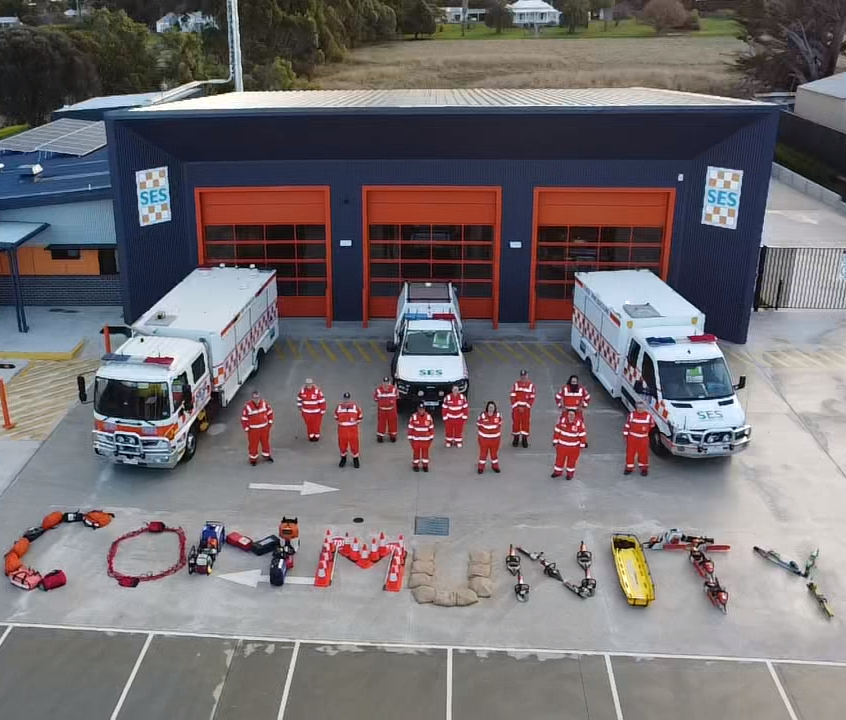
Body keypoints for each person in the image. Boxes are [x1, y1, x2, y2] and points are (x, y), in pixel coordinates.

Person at [555, 374, 591, 447]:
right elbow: (557, 397)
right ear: (570, 382)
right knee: (562, 424)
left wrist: (583, 406)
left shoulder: (581, 389)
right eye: (572, 382)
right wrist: (560, 406)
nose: (574, 383)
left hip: (577, 411)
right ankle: (560, 439)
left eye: (575, 382)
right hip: (567, 411)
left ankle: (583, 441)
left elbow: (587, 398)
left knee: (581, 426)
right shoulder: (564, 388)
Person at [240, 390, 274, 466]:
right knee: (253, 445)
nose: (257, 399)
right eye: (255, 398)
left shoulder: (264, 404)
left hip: (264, 428)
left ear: (260, 397)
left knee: (265, 443)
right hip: (253, 430)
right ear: (252, 398)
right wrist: (246, 428)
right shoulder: (247, 407)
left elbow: (270, 412)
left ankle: (266, 455)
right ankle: (253, 459)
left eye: (258, 397)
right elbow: (244, 418)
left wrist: (270, 422)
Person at [551, 409, 587, 480]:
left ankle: (570, 474)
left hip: (573, 447)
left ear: (575, 415)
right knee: (559, 460)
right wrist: (555, 441)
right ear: (567, 415)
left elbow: (582, 435)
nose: (571, 416)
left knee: (572, 461)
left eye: (572, 415)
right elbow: (557, 431)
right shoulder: (562, 421)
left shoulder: (579, 424)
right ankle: (557, 472)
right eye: (569, 414)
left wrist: (582, 445)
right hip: (562, 446)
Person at [623, 399, 655, 476]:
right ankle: (629, 468)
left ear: (644, 408)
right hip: (632, 438)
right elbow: (627, 425)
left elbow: (652, 426)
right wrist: (625, 435)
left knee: (643, 454)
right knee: (630, 453)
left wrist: (644, 432)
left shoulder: (648, 416)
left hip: (643, 439)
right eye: (638, 408)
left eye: (641, 408)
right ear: (636, 408)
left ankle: (644, 468)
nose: (640, 409)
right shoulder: (631, 415)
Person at [335, 392, 363, 468]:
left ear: (350, 399)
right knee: (342, 445)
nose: (346, 401)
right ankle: (343, 459)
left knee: (354, 445)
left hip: (352, 430)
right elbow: (336, 417)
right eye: (345, 399)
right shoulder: (339, 407)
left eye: (348, 399)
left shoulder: (355, 407)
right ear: (343, 399)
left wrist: (353, 424)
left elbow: (360, 417)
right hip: (342, 430)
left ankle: (355, 459)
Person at [509, 369, 537, 448]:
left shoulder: (531, 386)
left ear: (527, 376)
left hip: (526, 409)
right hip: (516, 409)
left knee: (525, 424)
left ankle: (524, 439)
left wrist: (526, 406)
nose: (523, 377)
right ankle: (516, 439)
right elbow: (512, 396)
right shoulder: (516, 385)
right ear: (520, 376)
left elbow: (532, 397)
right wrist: (516, 406)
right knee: (516, 424)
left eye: (525, 376)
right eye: (522, 376)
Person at [476, 400, 503, 474]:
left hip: (495, 440)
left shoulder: (498, 415)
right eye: (490, 407)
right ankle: (480, 468)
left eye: (492, 407)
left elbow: (500, 423)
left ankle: (495, 467)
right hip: (484, 440)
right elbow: (478, 424)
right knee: (483, 454)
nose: (491, 409)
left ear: (495, 408)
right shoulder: (482, 415)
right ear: (487, 408)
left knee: (494, 454)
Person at [408, 402, 435, 472]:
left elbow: (431, 428)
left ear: (424, 409)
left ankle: (425, 466)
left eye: (422, 409)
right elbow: (410, 428)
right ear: (417, 409)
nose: (421, 411)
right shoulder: (413, 417)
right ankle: (415, 465)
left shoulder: (429, 417)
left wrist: (431, 437)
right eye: (420, 409)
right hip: (416, 440)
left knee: (425, 454)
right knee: (416, 453)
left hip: (426, 440)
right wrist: (410, 438)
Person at [373, 376, 398, 443]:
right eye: (385, 382)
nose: (386, 384)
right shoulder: (378, 390)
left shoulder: (394, 389)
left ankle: (393, 436)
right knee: (381, 423)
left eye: (387, 382)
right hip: (382, 410)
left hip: (391, 410)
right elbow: (375, 398)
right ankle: (380, 436)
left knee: (392, 423)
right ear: (382, 383)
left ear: (389, 383)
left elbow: (397, 397)